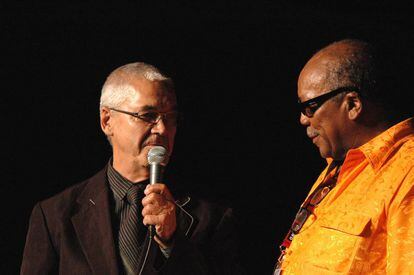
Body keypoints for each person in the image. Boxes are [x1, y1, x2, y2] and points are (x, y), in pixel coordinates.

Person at [21, 62, 244, 275]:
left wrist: (171, 242)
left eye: (171, 117)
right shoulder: (54, 217)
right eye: (147, 116)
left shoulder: (212, 217)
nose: (163, 128)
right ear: (107, 121)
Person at [274, 39, 414, 274]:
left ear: (353, 104)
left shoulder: (407, 172)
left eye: (310, 107)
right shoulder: (339, 168)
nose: (303, 119)